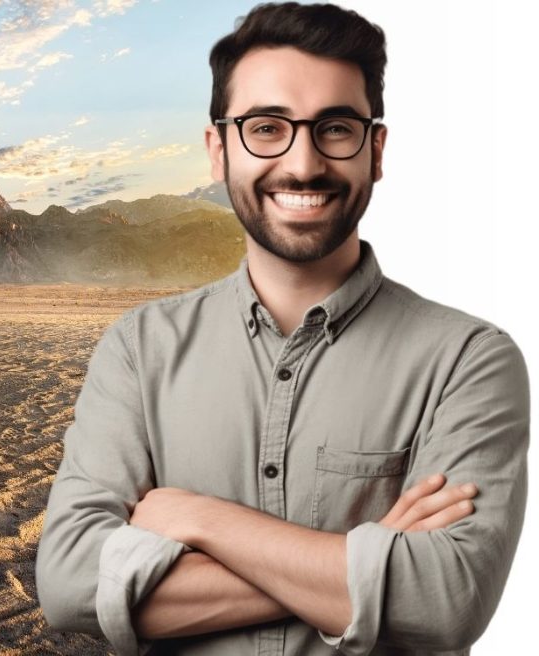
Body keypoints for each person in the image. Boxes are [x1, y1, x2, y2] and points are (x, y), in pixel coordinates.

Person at [34, 3, 530, 655]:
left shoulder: (470, 360)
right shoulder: (139, 348)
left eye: (335, 128)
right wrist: (370, 559)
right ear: (219, 150)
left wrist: (197, 518)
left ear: (375, 150)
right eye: (267, 128)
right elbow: (70, 583)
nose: (302, 163)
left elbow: (444, 601)